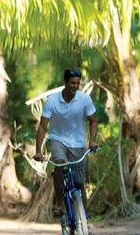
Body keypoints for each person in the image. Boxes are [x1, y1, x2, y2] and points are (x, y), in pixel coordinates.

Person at [34, 69, 98, 221]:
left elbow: (93, 120)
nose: (75, 86)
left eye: (77, 83)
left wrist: (92, 141)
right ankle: (59, 203)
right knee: (60, 163)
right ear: (65, 83)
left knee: (80, 184)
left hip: (77, 144)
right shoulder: (52, 100)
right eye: (72, 83)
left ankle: (85, 224)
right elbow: (43, 126)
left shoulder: (84, 99)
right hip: (58, 139)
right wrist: (38, 151)